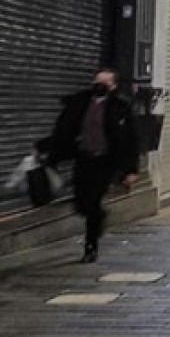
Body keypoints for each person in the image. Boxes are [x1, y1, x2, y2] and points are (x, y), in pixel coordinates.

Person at [36, 68, 139, 263]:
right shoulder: (80, 103)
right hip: (84, 160)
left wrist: (131, 169)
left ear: (113, 86)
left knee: (93, 200)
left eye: (105, 83)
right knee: (81, 203)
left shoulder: (120, 108)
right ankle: (98, 216)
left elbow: (130, 140)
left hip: (105, 162)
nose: (100, 85)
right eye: (97, 81)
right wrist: (44, 147)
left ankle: (90, 247)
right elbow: (63, 132)